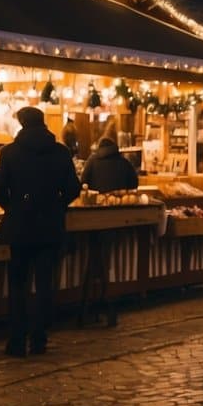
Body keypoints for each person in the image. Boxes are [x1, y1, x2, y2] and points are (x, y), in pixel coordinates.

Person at [0, 107, 81, 357]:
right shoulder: (61, 152)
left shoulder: (10, 152)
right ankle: (39, 338)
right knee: (44, 284)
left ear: (21, 123)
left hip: (20, 227)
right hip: (49, 226)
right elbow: (74, 188)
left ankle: (17, 340)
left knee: (18, 285)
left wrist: (13, 207)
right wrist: (57, 204)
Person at [78, 135, 139, 326]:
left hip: (93, 218)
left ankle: (89, 305)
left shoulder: (92, 160)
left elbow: (83, 183)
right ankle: (107, 303)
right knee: (107, 260)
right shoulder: (123, 162)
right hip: (116, 219)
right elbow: (134, 184)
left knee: (93, 258)